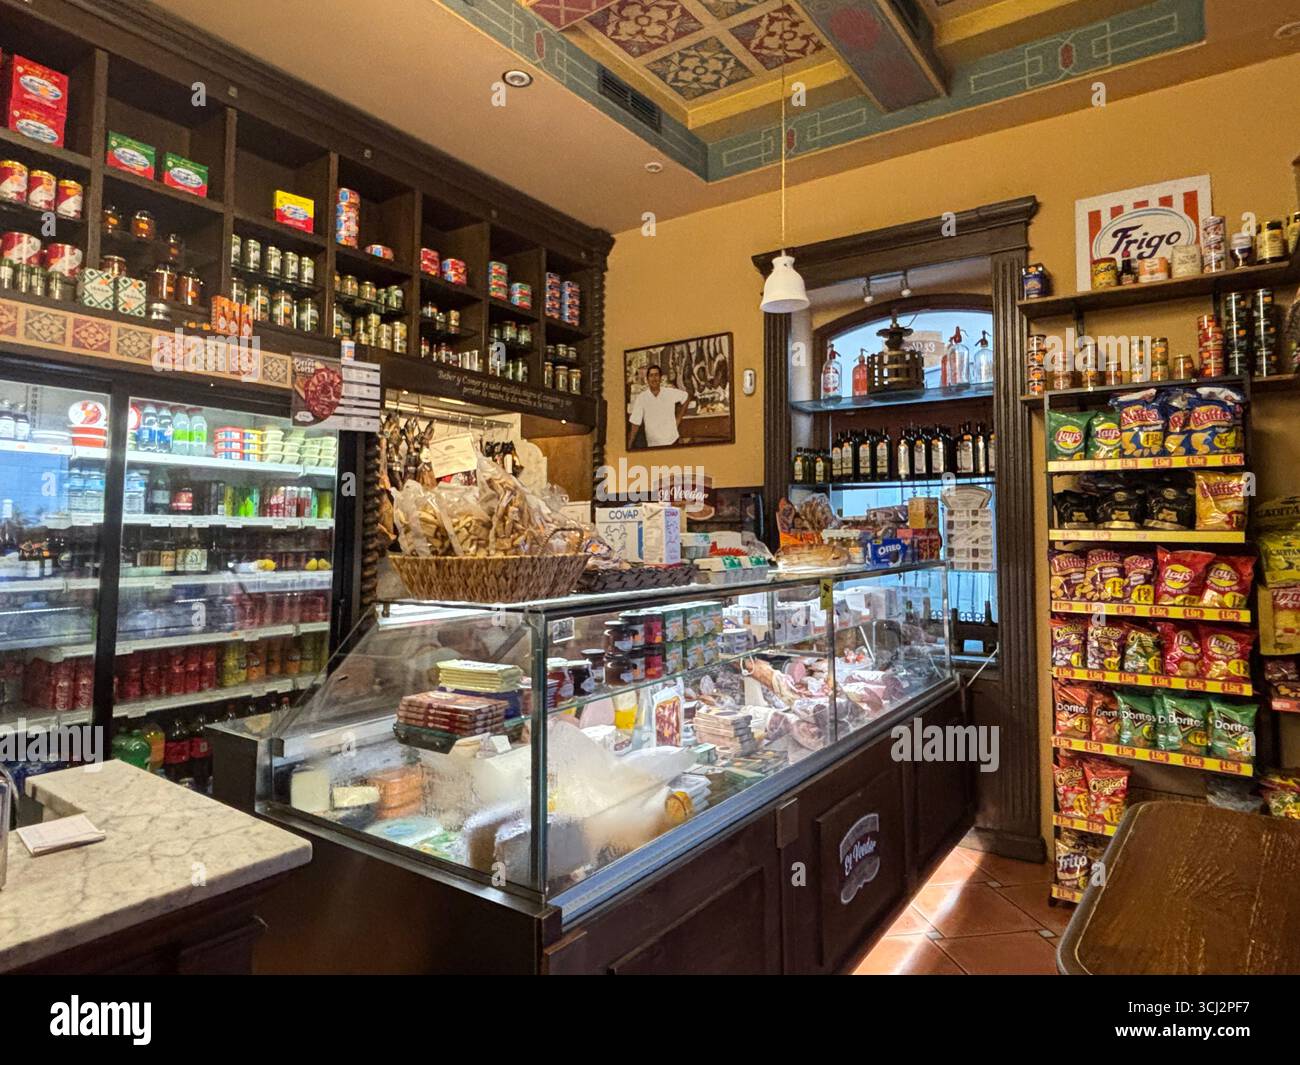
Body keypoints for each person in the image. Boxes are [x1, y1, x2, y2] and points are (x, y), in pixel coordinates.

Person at [628, 364, 688, 447]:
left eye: (656, 375)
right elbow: (635, 422)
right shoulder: (642, 398)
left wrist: (678, 418)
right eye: (651, 376)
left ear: (660, 378)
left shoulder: (669, 392)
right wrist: (629, 444)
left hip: (672, 440)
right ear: (647, 379)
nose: (654, 378)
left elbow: (686, 397)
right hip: (653, 445)